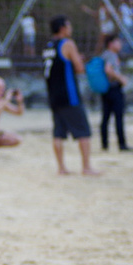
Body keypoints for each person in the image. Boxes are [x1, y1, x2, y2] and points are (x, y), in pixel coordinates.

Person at [43, 15, 100, 176]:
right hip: (69, 95)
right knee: (83, 131)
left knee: (58, 132)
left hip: (53, 95)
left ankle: (61, 167)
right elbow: (79, 68)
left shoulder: (48, 46)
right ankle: (86, 167)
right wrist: (79, 60)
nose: (71, 28)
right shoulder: (67, 44)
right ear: (62, 28)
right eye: (69, 25)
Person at [99, 33, 133, 152]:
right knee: (118, 117)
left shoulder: (104, 55)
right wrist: (121, 78)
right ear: (111, 44)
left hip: (106, 89)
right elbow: (108, 70)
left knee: (105, 117)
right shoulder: (111, 55)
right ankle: (122, 144)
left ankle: (104, 144)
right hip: (114, 88)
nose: (120, 44)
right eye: (118, 42)